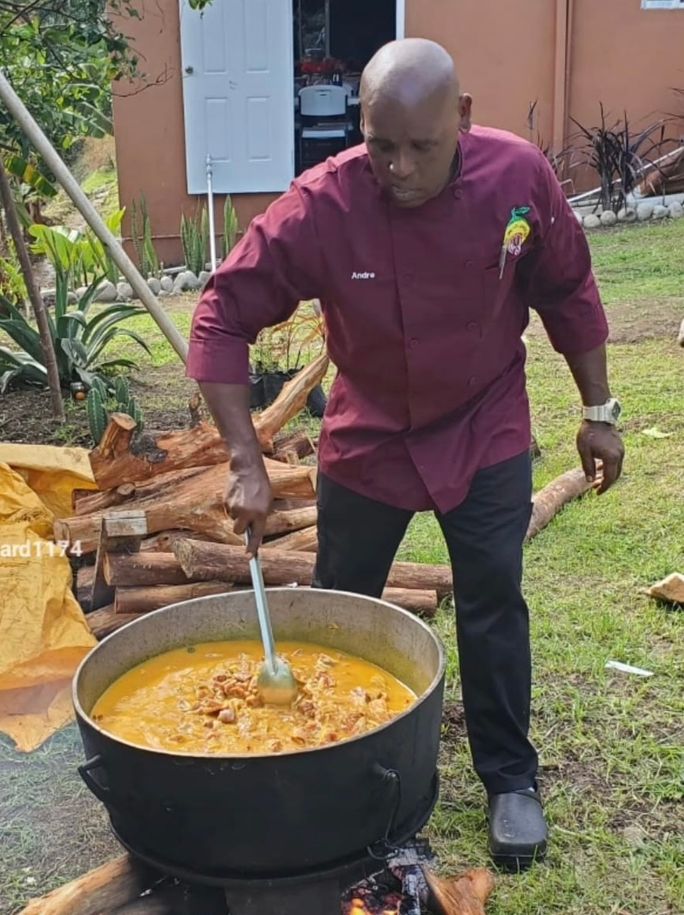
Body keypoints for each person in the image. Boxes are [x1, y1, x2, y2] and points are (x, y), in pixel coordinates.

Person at [186, 38, 625, 869]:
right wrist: (246, 460)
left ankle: (510, 779)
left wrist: (599, 411)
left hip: (486, 419)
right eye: (379, 144)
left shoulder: (516, 178)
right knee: (342, 606)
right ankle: (338, 768)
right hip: (370, 434)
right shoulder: (322, 205)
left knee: (493, 598)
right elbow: (222, 314)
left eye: (421, 146)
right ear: (361, 127)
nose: (397, 166)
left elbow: (567, 285)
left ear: (462, 118)